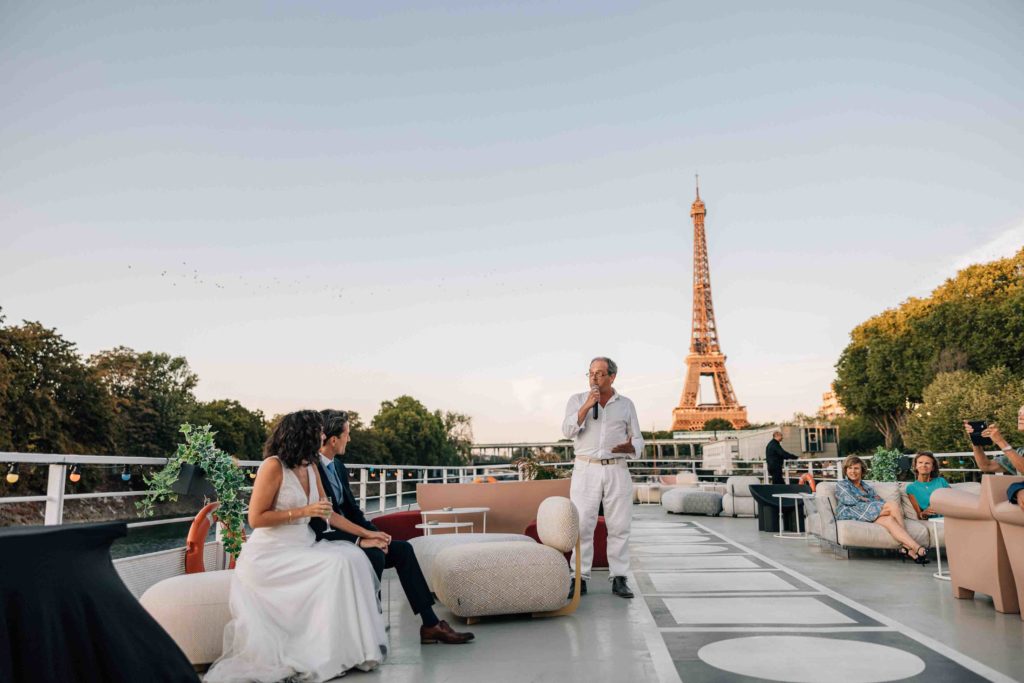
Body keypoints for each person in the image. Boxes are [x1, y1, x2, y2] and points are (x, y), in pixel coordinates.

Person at [205, 410, 388, 683]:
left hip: (305, 545)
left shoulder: (311, 465)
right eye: (319, 433)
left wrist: (369, 533)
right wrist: (303, 511)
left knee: (352, 559)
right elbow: (256, 518)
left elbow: (329, 513)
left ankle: (348, 650)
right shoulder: (273, 466)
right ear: (303, 435)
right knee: (336, 563)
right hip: (272, 554)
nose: (324, 437)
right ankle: (319, 653)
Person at [315, 409, 473, 645]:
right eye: (348, 434)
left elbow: (352, 511)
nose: (350, 438)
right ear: (334, 439)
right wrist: (362, 539)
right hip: (327, 537)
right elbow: (319, 522)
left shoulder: (338, 467)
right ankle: (371, 625)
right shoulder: (311, 469)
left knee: (403, 550)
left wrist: (376, 534)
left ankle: (430, 625)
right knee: (375, 555)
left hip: (351, 532)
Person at [562, 356, 644, 599]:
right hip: (586, 469)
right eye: (590, 373)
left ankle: (619, 578)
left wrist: (630, 448)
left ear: (612, 377)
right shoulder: (576, 400)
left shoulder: (626, 404)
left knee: (619, 525)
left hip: (616, 468)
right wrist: (587, 405)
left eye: (599, 373)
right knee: (583, 525)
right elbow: (567, 431)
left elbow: (638, 438)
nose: (594, 378)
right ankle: (579, 577)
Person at [835, 455, 929, 564]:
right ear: (845, 470)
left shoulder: (866, 487)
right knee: (892, 505)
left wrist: (865, 499)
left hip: (868, 513)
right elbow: (850, 500)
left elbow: (878, 501)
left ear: (862, 470)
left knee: (889, 520)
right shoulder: (842, 484)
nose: (853, 471)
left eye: (856, 468)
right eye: (849, 468)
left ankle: (909, 549)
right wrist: (866, 500)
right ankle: (914, 547)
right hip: (850, 512)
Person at [963, 405, 1024, 476]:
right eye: (1019, 414)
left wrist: (1000, 441)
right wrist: (975, 439)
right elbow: (986, 466)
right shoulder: (1020, 453)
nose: (1020, 417)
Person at [905, 452, 950, 520]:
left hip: (950, 515)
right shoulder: (911, 488)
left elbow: (953, 500)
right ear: (916, 466)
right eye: (920, 462)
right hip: (935, 520)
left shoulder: (941, 481)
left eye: (927, 463)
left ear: (933, 468)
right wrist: (924, 514)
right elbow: (919, 515)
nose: (923, 465)